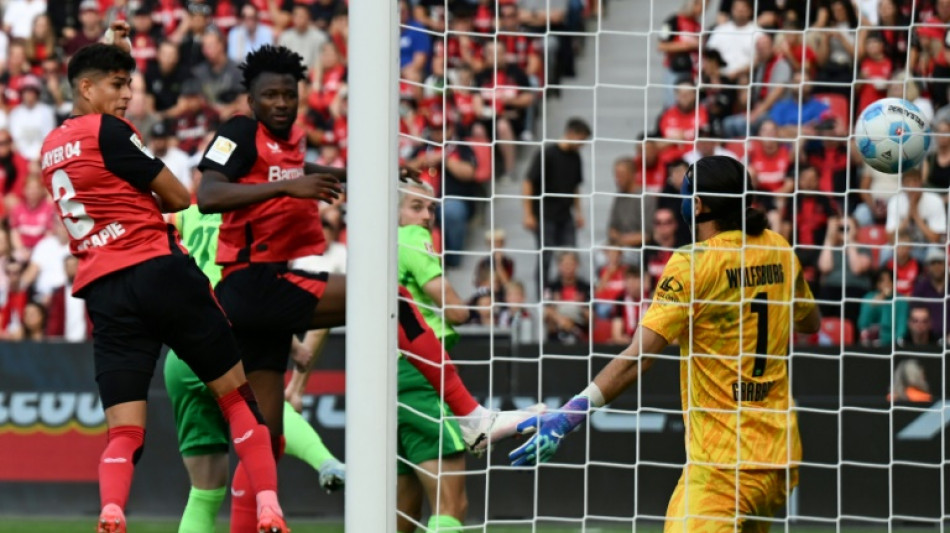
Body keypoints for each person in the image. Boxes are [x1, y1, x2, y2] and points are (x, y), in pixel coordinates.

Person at [195, 45, 530, 530]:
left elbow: (297, 174)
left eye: (289, 93)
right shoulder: (239, 131)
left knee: (264, 442)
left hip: (255, 300)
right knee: (385, 297)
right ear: (250, 98)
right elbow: (208, 194)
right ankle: (470, 414)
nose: (282, 102)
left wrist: (373, 178)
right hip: (252, 284)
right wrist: (287, 189)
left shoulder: (282, 144)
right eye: (270, 95)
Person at [39, 37, 288, 532]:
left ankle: (111, 509)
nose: (128, 94)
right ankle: (269, 505)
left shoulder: (49, 148)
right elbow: (176, 196)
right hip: (159, 271)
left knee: (124, 431)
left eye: (129, 83)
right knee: (239, 400)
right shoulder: (108, 130)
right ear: (86, 88)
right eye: (117, 84)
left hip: (105, 289)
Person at [510, 156, 821, 532]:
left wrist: (569, 416)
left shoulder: (692, 263)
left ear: (699, 205)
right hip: (779, 455)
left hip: (722, 466)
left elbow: (638, 357)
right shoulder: (779, 248)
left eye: (684, 194)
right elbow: (809, 320)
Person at [163, 184, 344, 533]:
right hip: (229, 333)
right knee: (262, 414)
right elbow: (259, 293)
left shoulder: (186, 213)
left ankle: (326, 463)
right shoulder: (254, 214)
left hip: (183, 351)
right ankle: (326, 461)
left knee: (203, 494)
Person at [396, 181, 472, 533]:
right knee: (452, 503)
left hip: (386, 374)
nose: (426, 217)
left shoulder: (368, 249)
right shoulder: (410, 238)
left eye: (429, 209)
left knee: (401, 510)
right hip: (420, 373)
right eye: (416, 207)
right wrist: (472, 306)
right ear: (392, 212)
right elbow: (455, 311)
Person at [523, 118, 591, 286]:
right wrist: (528, 214)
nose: (582, 145)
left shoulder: (576, 157)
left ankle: (568, 296)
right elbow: (528, 182)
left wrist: (579, 213)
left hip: (566, 216)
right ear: (571, 134)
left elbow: (575, 187)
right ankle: (543, 299)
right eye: (581, 140)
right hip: (545, 215)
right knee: (545, 259)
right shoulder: (548, 153)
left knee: (570, 258)